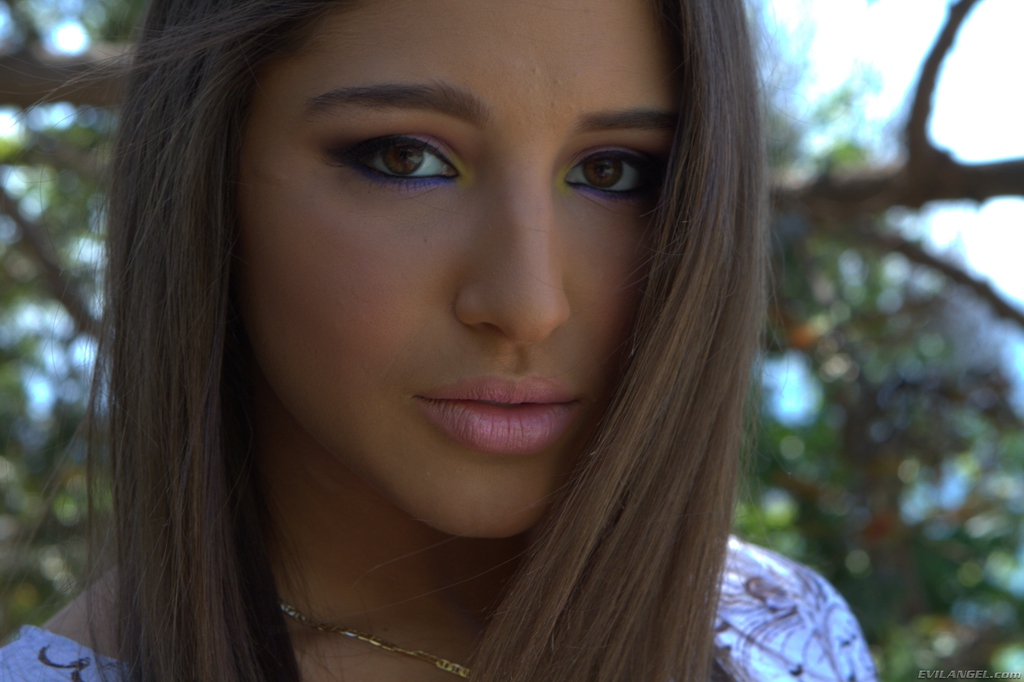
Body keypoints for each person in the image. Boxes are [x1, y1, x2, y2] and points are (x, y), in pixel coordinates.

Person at [0, 0, 880, 680]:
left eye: (615, 171)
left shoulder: (781, 633)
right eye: (405, 158)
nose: (528, 305)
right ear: (209, 172)